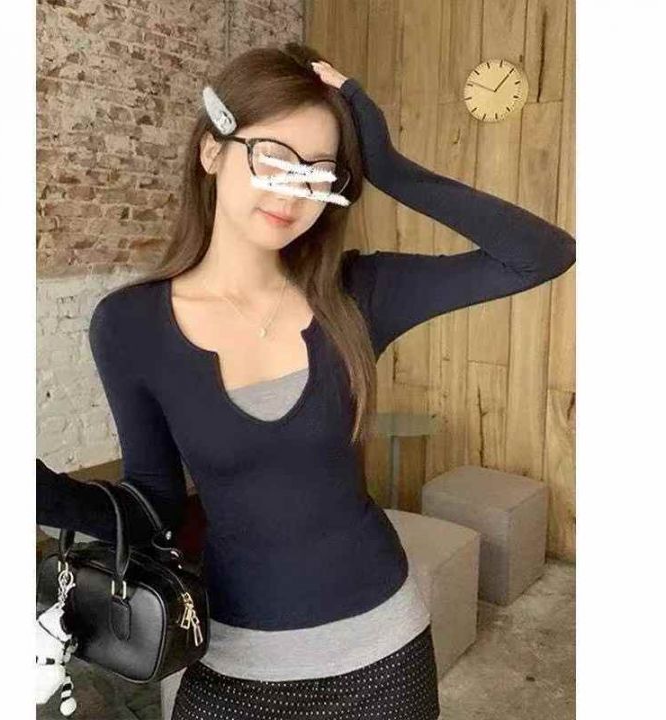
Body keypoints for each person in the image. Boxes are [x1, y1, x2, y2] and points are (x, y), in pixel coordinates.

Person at [37, 42, 576, 720]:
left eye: (319, 173)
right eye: (273, 158)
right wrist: (44, 495)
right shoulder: (130, 325)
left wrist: (390, 167)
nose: (292, 192)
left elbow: (542, 255)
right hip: (233, 664)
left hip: (385, 657)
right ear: (211, 150)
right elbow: (154, 503)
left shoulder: (357, 294)